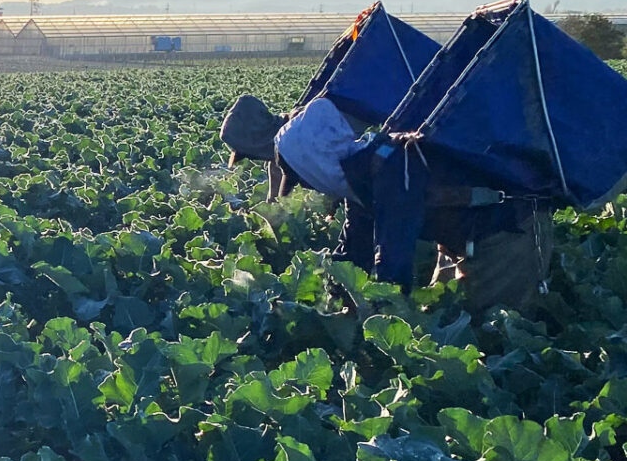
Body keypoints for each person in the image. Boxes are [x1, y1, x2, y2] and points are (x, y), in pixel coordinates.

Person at [222, 94, 550, 312]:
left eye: (301, 178)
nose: (306, 187)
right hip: (459, 243)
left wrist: (373, 313)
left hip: (508, 237)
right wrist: (332, 297)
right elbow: (354, 249)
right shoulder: (360, 174)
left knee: (485, 338)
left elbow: (395, 254)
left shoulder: (393, 167)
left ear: (315, 166)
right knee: (441, 317)